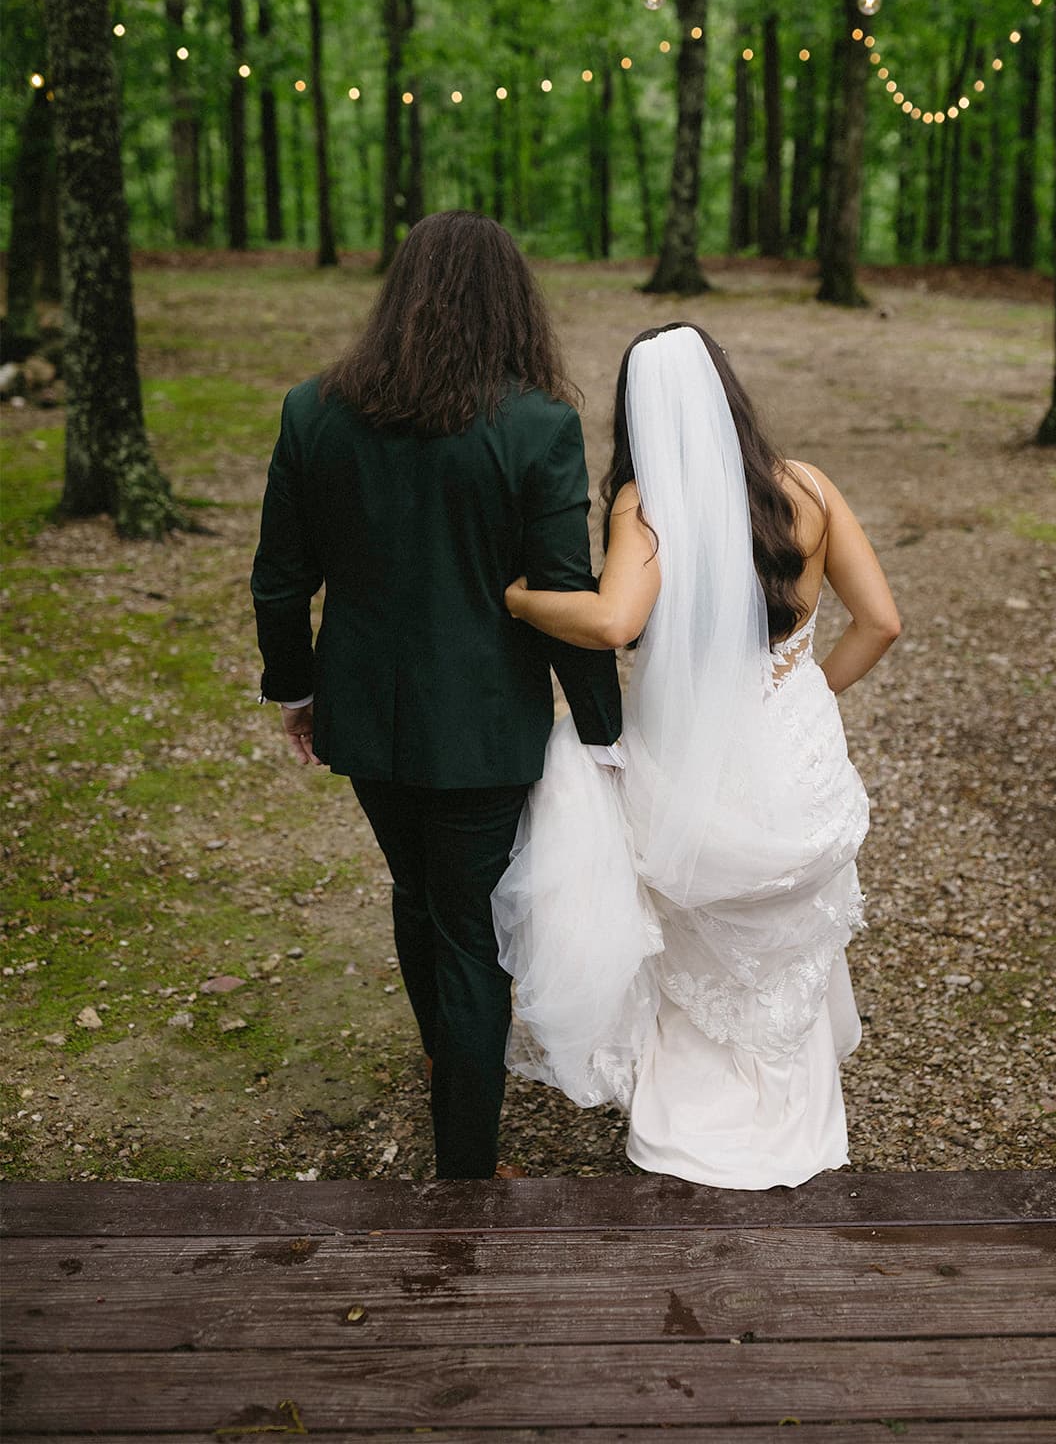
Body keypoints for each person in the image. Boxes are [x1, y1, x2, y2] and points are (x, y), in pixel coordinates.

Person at [250, 211, 622, 1181]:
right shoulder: (537, 429)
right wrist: (605, 731)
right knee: (464, 921)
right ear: (511, 305)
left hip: (363, 716)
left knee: (419, 891)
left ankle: (445, 1054)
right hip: (485, 726)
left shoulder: (313, 412)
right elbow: (564, 596)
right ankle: (466, 1162)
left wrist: (298, 689)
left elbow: (281, 580)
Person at [493, 321, 901, 1189]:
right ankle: (793, 1110)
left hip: (704, 788)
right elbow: (882, 622)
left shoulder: (649, 504)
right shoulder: (809, 489)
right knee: (782, 938)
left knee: (593, 785)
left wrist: (524, 602)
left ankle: (698, 1110)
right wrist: (809, 693)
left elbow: (612, 623)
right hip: (799, 774)